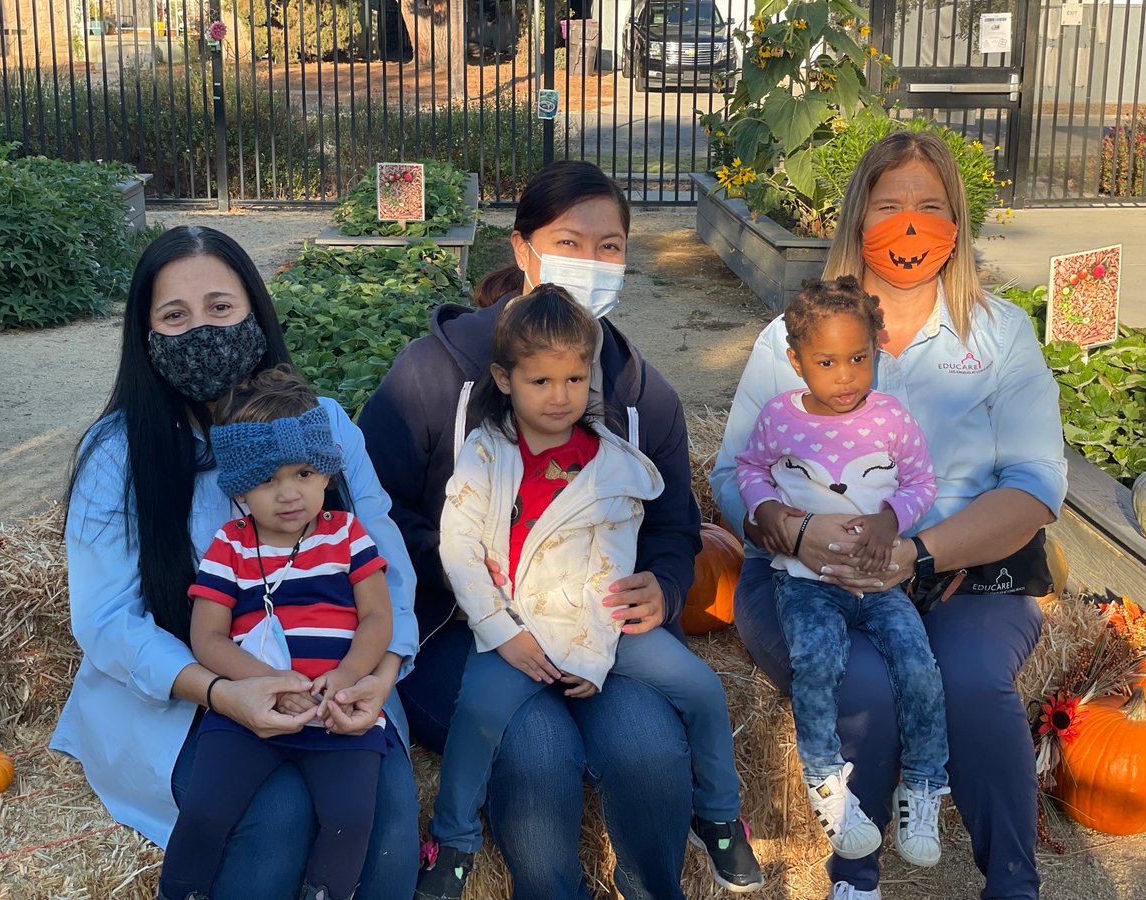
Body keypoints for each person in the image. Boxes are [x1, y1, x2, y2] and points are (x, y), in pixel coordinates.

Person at [711, 132, 1067, 900]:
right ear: (857, 217)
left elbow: (1037, 485)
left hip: (968, 577)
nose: (911, 224)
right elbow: (730, 471)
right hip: (809, 580)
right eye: (891, 205)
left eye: (931, 207)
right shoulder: (793, 338)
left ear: (958, 220)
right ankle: (856, 879)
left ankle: (1013, 883)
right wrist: (792, 528)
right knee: (861, 683)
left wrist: (922, 552)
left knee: (972, 682)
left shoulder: (1001, 334)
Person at [357, 160, 706, 900]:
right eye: (569, 241)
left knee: (647, 745)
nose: (591, 262)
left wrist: (666, 586)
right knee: (537, 747)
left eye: (610, 247)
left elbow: (676, 524)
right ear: (522, 250)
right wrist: (482, 584)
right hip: (459, 628)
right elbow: (373, 509)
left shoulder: (647, 399)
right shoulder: (429, 375)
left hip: (595, 625)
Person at [51, 226, 421, 900]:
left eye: (221, 308)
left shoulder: (328, 426)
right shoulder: (117, 456)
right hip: (182, 693)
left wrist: (382, 671)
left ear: (256, 309)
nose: (202, 332)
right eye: (175, 317)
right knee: (274, 813)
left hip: (332, 681)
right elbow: (106, 620)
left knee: (389, 810)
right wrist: (221, 691)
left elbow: (388, 566)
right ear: (147, 337)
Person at [416, 286, 762, 899]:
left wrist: (649, 594)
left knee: (704, 688)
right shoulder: (485, 457)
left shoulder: (614, 459)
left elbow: (646, 536)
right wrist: (502, 631)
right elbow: (461, 552)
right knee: (477, 721)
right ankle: (454, 841)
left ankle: (717, 812)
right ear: (504, 378)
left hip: (605, 623)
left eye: (575, 379)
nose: (560, 397)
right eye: (541, 381)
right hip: (521, 628)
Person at [733, 276, 947, 868]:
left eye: (859, 358)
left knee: (919, 667)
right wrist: (768, 509)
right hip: (805, 583)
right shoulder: (780, 418)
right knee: (818, 663)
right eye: (827, 362)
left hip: (880, 583)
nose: (847, 375)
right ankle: (826, 781)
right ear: (798, 362)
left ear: (876, 350)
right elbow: (749, 468)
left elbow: (921, 482)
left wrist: (890, 521)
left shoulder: (890, 418)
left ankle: (925, 784)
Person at [159, 367, 394, 900]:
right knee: (204, 812)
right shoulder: (232, 545)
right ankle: (181, 891)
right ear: (240, 485)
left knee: (351, 822)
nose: (289, 494)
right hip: (248, 710)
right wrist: (269, 683)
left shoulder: (348, 535)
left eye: (305, 473)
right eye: (267, 480)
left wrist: (349, 676)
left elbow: (379, 616)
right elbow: (209, 638)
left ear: (328, 474)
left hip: (340, 710)